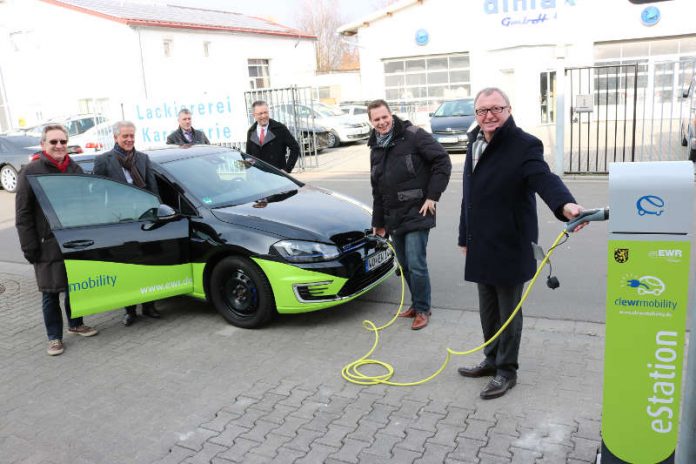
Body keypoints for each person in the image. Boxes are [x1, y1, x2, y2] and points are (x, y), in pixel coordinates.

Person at [457, 87, 585, 399]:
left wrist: (565, 205)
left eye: (496, 109)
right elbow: (468, 198)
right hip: (480, 243)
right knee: (488, 310)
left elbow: (543, 178)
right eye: (482, 110)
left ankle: (506, 371)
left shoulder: (524, 144)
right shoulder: (474, 143)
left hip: (509, 243)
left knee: (508, 313)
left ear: (509, 109)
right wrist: (464, 236)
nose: (489, 116)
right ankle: (491, 359)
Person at [367, 99, 451, 330]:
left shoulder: (414, 135)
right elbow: (378, 189)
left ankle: (423, 309)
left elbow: (442, 161)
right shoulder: (375, 148)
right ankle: (416, 304)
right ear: (371, 122)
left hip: (417, 212)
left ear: (391, 115)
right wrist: (379, 222)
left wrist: (433, 196)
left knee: (416, 263)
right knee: (403, 264)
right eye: (377, 119)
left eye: (385, 117)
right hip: (394, 217)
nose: (382, 122)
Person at [15, 124, 99, 356]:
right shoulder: (30, 172)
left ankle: (75, 323)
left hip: (73, 240)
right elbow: (22, 214)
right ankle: (54, 337)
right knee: (50, 292)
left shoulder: (75, 168)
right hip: (46, 243)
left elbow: (86, 204)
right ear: (43, 145)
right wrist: (30, 246)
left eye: (63, 141)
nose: (59, 146)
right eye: (53, 142)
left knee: (75, 287)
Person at [93, 121, 162, 326]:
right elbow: (97, 192)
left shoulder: (143, 158)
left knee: (148, 263)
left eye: (132, 136)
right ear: (115, 138)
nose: (129, 139)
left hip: (143, 217)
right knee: (128, 266)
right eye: (125, 136)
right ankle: (130, 310)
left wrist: (155, 213)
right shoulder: (103, 161)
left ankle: (149, 306)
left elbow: (153, 188)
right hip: (119, 220)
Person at [245, 100, 300, 173]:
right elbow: (249, 156)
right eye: (260, 113)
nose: (264, 116)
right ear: (254, 115)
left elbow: (295, 148)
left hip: (277, 176)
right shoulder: (251, 131)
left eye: (266, 112)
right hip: (258, 177)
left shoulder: (280, 128)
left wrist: (287, 169)